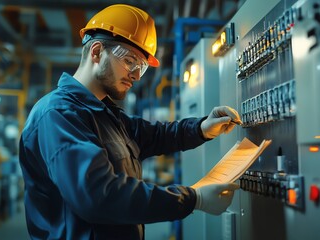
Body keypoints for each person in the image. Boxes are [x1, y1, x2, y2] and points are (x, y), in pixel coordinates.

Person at [19, 4, 242, 240]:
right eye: (130, 62)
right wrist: (193, 199)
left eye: (141, 68)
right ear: (96, 52)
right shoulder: (58, 114)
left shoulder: (106, 115)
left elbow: (156, 135)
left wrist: (202, 128)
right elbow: (99, 196)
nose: (136, 75)